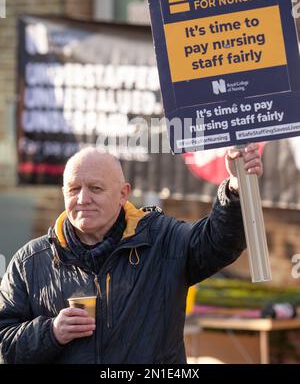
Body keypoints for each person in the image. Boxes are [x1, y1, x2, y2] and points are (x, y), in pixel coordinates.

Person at [0, 143, 262, 364]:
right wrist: (51, 332)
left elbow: (218, 243)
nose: (82, 199)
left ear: (123, 193)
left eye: (96, 188)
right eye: (73, 189)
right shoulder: (30, 262)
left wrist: (236, 188)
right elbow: (5, 344)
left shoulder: (162, 239)